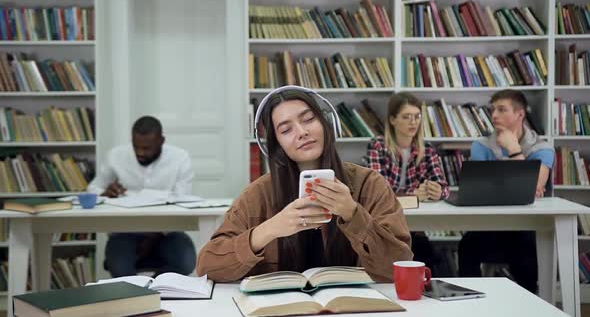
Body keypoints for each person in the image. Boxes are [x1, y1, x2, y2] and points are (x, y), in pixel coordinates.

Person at [196, 86, 412, 282]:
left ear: (326, 123)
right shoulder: (258, 194)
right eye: (286, 130)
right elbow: (207, 267)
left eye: (308, 119)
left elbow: (399, 266)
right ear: (277, 144)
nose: (302, 132)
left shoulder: (370, 184)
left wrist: (353, 213)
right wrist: (267, 230)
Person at [458, 89, 555, 293]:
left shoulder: (542, 148)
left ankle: (528, 305)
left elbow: (532, 188)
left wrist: (514, 150)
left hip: (524, 226)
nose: (494, 115)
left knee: (526, 248)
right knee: (467, 245)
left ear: (520, 114)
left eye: (502, 110)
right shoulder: (481, 146)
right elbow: (479, 189)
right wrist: (519, 182)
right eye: (493, 110)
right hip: (488, 224)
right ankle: (469, 306)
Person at [87, 116, 196, 277]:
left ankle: (155, 291)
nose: (140, 153)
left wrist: (153, 238)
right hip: (124, 232)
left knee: (186, 262)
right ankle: (139, 297)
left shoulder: (180, 158)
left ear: (161, 141)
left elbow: (181, 200)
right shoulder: (116, 156)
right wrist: (104, 193)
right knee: (119, 269)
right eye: (136, 147)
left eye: (147, 148)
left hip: (167, 233)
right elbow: (93, 189)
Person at [363, 92, 450, 274]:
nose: (413, 122)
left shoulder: (426, 150)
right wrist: (413, 193)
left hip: (415, 228)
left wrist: (437, 191)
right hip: (384, 229)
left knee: (424, 251)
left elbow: (444, 187)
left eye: (417, 116)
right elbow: (379, 190)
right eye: (406, 117)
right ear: (393, 120)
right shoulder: (378, 146)